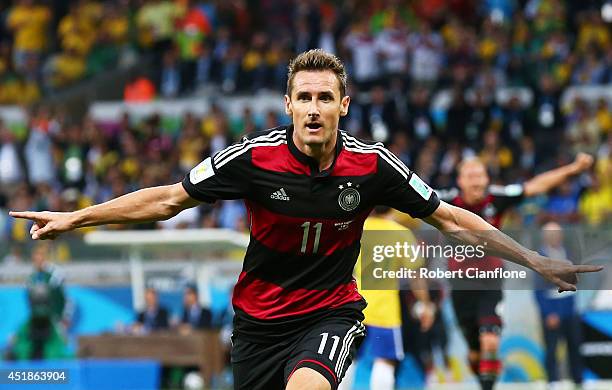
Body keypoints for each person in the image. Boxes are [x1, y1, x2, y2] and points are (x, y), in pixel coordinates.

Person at [9, 49, 602, 390]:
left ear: (343, 105)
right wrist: (74, 218)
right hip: (257, 324)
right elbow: (167, 199)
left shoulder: (372, 166)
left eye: (326, 98)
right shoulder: (253, 159)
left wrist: (533, 259)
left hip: (331, 310)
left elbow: (449, 218)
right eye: (304, 98)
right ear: (287, 104)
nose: (314, 109)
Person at [436, 155, 593, 390]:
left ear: (487, 178)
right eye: (470, 176)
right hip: (461, 285)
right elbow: (406, 197)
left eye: (480, 175)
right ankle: (483, 380)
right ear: (459, 180)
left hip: (491, 282)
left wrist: (573, 168)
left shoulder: (496, 198)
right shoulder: (444, 200)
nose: (476, 181)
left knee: (490, 341)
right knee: (475, 353)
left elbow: (536, 186)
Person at [340, 206, 434, 390]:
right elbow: (416, 275)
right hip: (385, 310)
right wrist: (425, 304)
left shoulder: (357, 228)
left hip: (354, 304)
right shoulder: (400, 233)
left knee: (346, 360)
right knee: (385, 361)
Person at [534, 222, 583, 389]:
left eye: (557, 233)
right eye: (552, 234)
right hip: (552, 309)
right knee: (552, 347)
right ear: (545, 237)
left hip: (569, 307)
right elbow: (538, 289)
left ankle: (578, 379)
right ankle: (552, 380)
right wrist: (548, 313)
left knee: (575, 345)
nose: (555, 237)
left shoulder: (568, 253)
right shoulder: (539, 258)